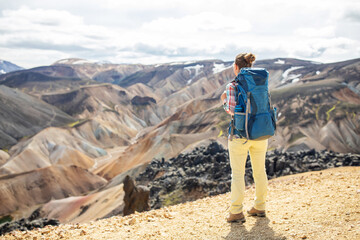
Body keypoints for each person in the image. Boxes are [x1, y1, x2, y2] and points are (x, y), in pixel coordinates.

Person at [221, 53, 268, 223]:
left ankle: (236, 212)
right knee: (260, 170)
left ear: (236, 67)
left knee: (238, 174)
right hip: (261, 132)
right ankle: (260, 206)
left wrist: (224, 100)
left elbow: (232, 110)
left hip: (240, 135)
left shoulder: (233, 85)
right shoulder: (260, 82)